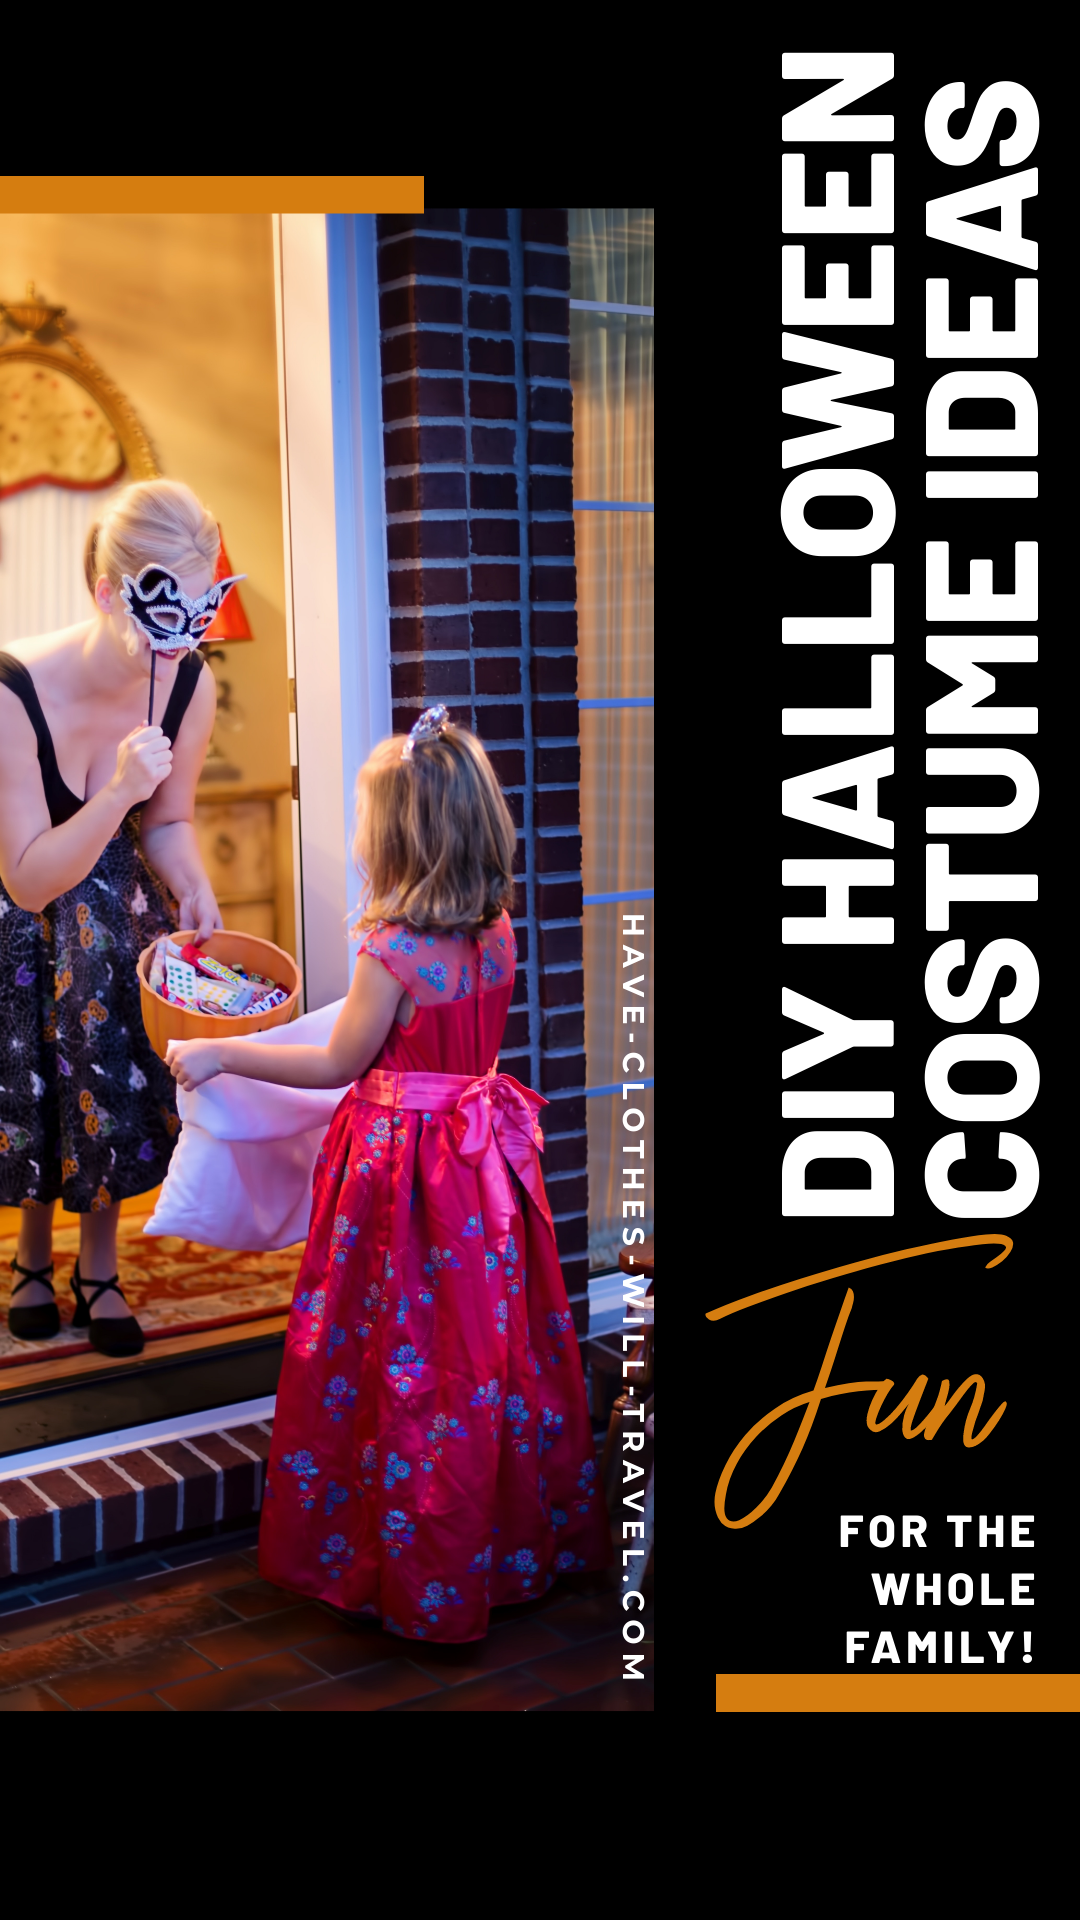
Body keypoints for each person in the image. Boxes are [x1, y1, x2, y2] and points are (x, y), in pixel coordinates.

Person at [169, 707, 610, 1642]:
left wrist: (227, 1058)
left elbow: (339, 1065)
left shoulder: (390, 951)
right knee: (481, 1355)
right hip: (482, 1171)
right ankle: (504, 1548)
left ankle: (403, 1569)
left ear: (397, 838)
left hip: (403, 1181)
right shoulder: (495, 930)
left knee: (394, 1359)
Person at [0, 479, 223, 1355]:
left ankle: (99, 1268)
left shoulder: (188, 683)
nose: (179, 642)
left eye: (200, 610)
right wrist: (120, 788)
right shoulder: (14, 688)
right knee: (33, 1088)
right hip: (23, 916)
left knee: (107, 1086)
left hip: (112, 920)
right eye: (166, 611)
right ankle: (27, 1256)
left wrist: (193, 881)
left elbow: (168, 822)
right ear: (107, 593)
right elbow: (26, 878)